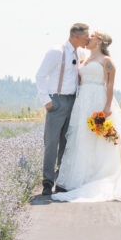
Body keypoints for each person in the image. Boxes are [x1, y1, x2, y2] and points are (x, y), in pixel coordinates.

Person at [52, 31, 121, 202]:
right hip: (82, 101)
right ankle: (81, 177)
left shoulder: (107, 61)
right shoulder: (84, 59)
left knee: (100, 138)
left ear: (99, 41)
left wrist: (107, 107)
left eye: (91, 36)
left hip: (98, 99)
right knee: (82, 137)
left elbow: (110, 84)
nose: (88, 38)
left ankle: (101, 174)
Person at [36, 23, 90, 196]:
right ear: (76, 37)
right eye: (86, 37)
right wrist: (46, 101)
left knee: (67, 144)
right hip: (57, 100)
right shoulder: (56, 52)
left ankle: (61, 181)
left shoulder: (81, 53)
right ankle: (47, 182)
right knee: (51, 143)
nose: (88, 39)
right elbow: (40, 75)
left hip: (74, 101)